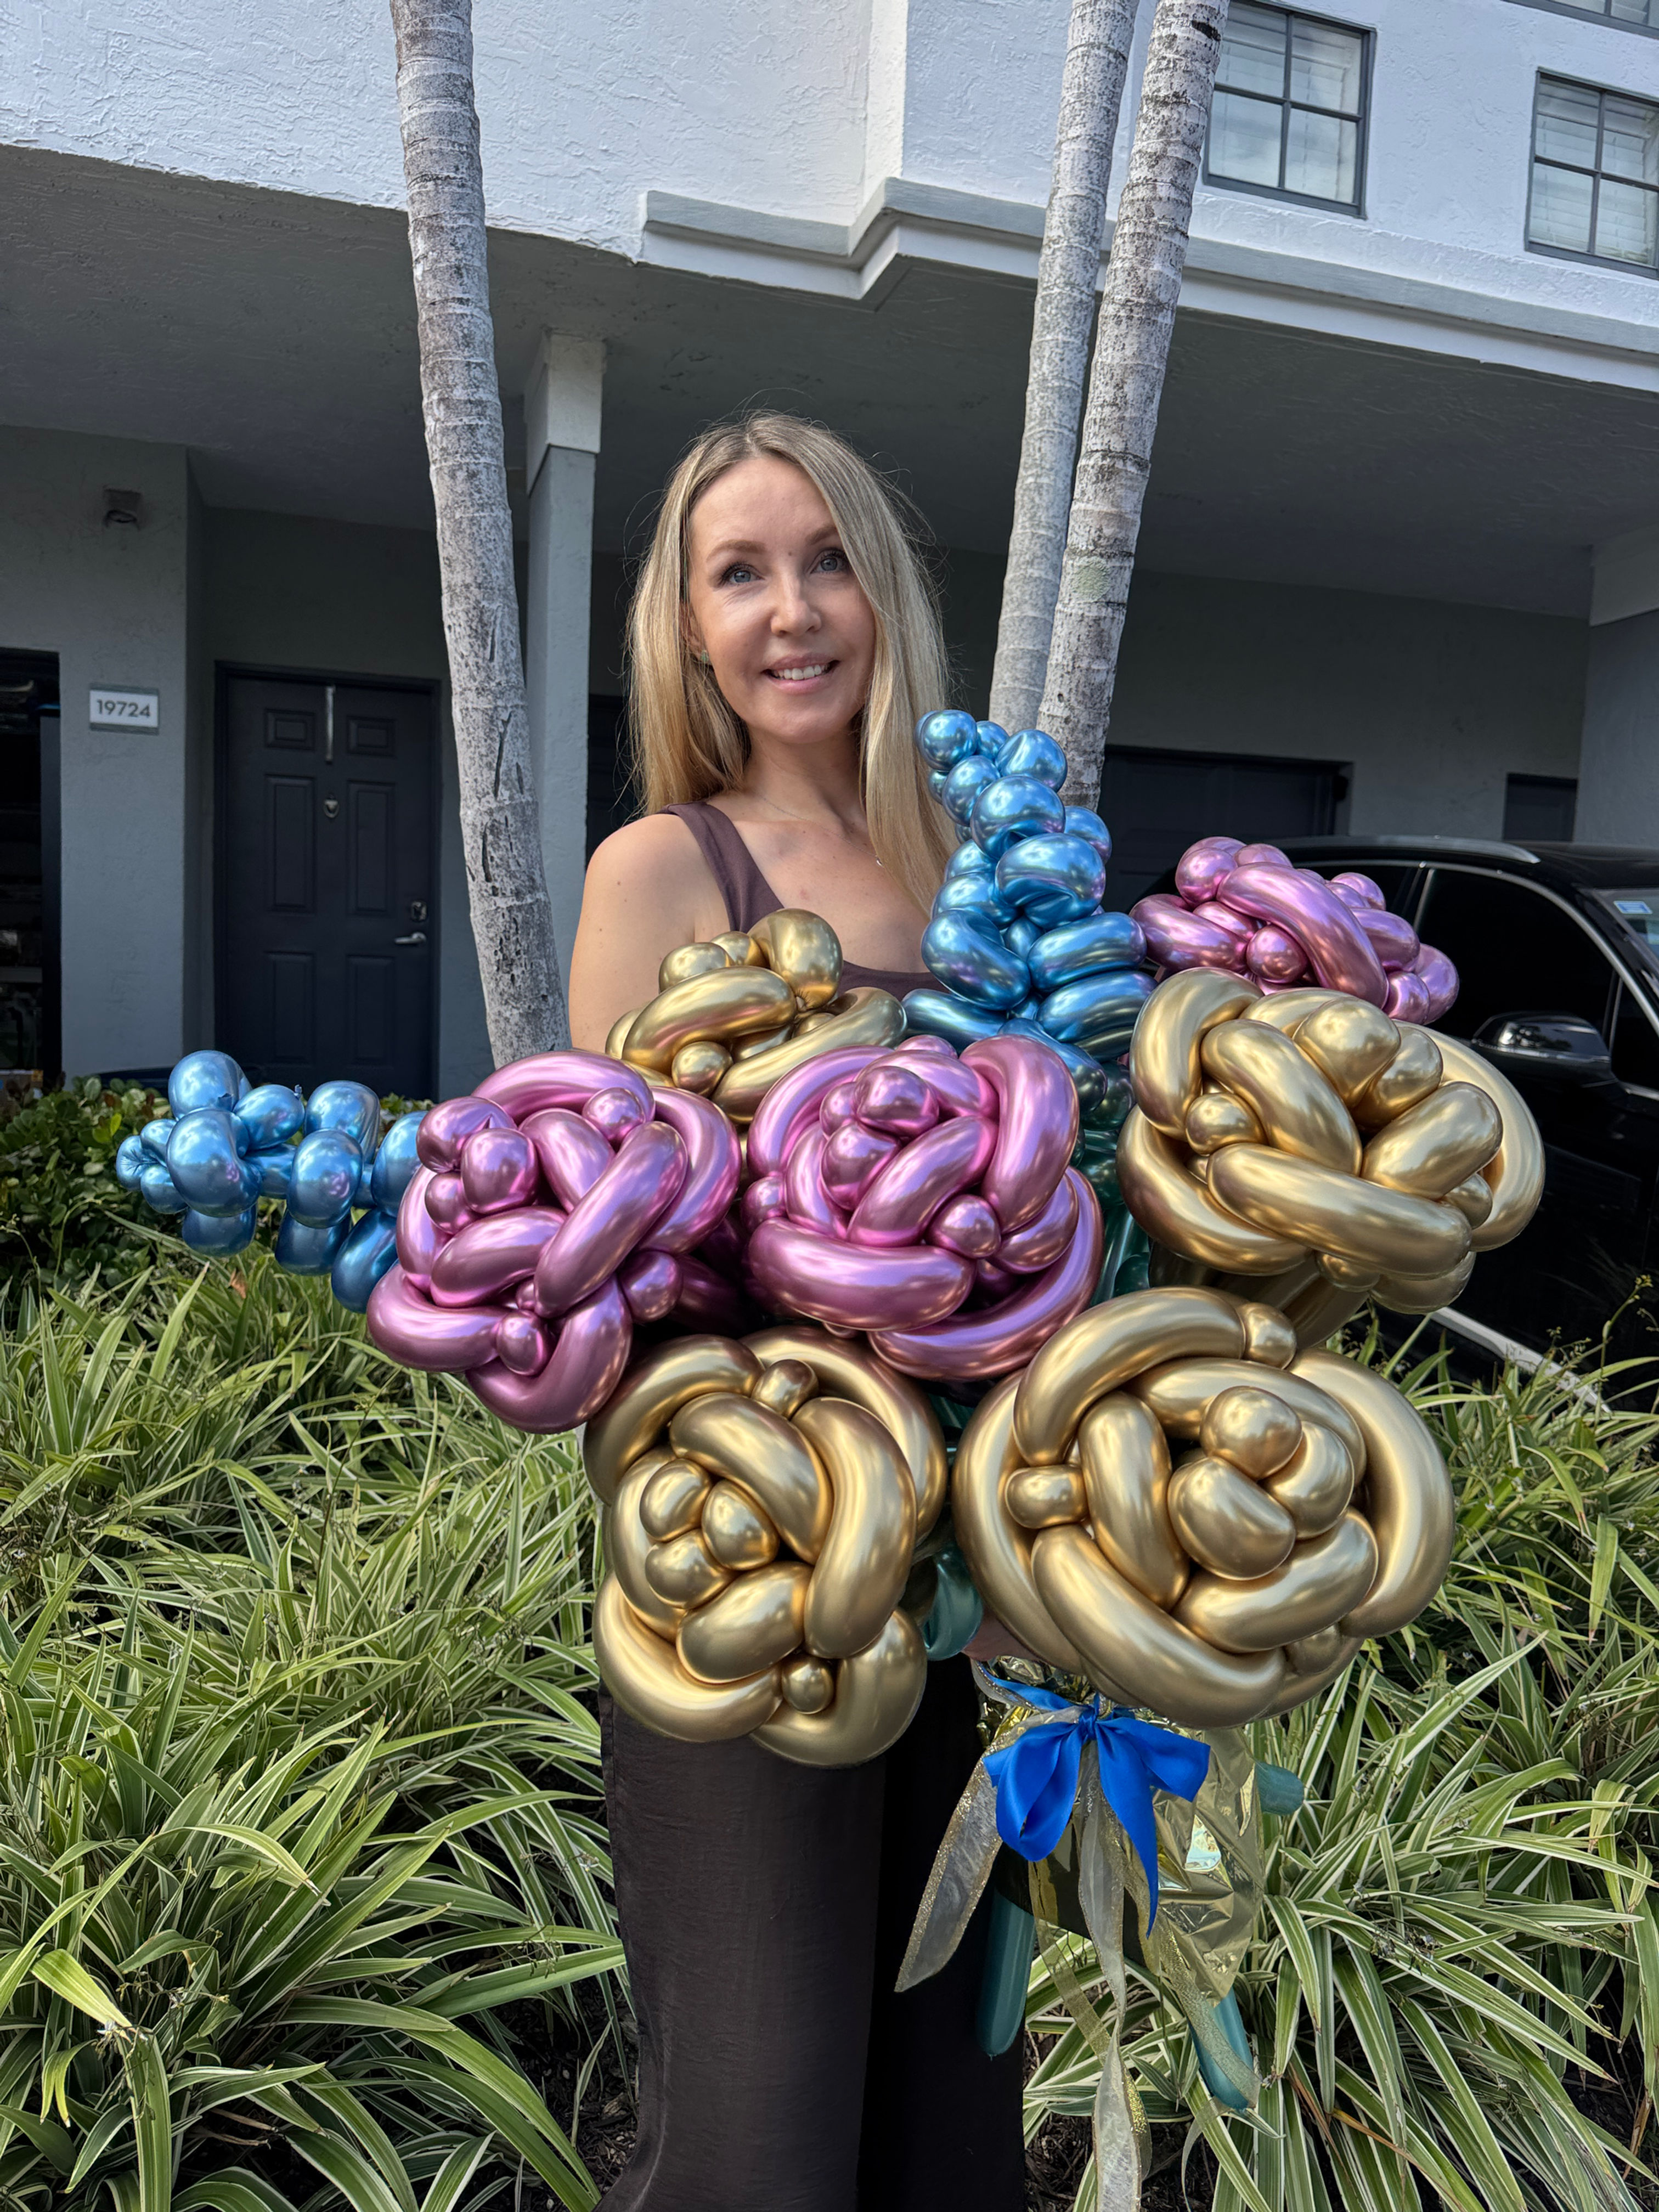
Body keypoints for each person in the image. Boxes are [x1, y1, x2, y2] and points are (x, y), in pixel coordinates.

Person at [567, 413, 1027, 2212]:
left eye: (829, 559)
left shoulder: (977, 871)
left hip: (977, 1566)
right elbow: (598, 1250)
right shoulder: (666, 872)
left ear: (884, 591)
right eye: (741, 572)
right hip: (746, 1567)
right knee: (756, 2123)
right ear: (688, 628)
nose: (793, 609)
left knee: (946, 2109)